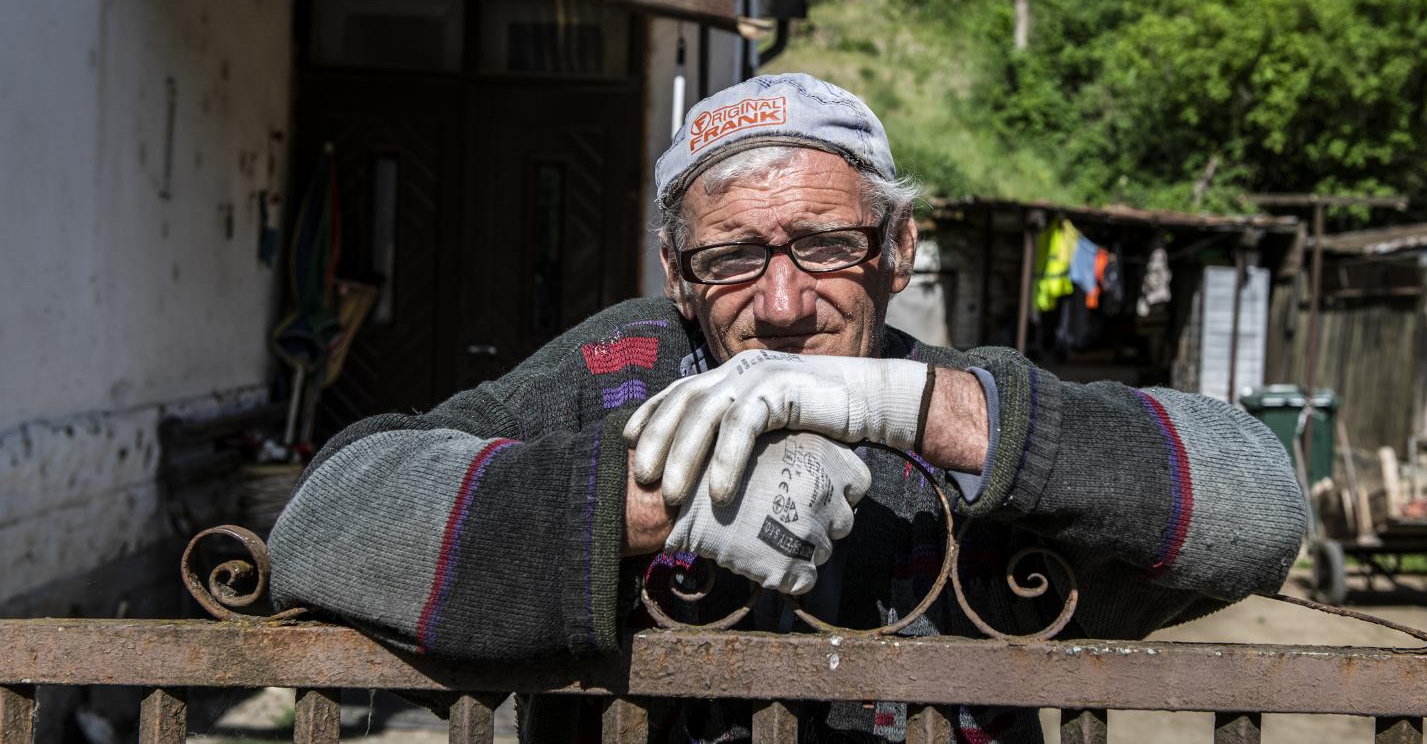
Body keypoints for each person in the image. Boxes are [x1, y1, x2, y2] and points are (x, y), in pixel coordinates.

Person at [267, 72, 1306, 742]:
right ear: (678, 273)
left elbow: (1260, 510)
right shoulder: (619, 367)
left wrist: (913, 407)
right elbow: (326, 523)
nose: (780, 303)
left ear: (898, 249)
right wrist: (657, 498)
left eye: (823, 244)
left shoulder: (958, 403)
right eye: (729, 258)